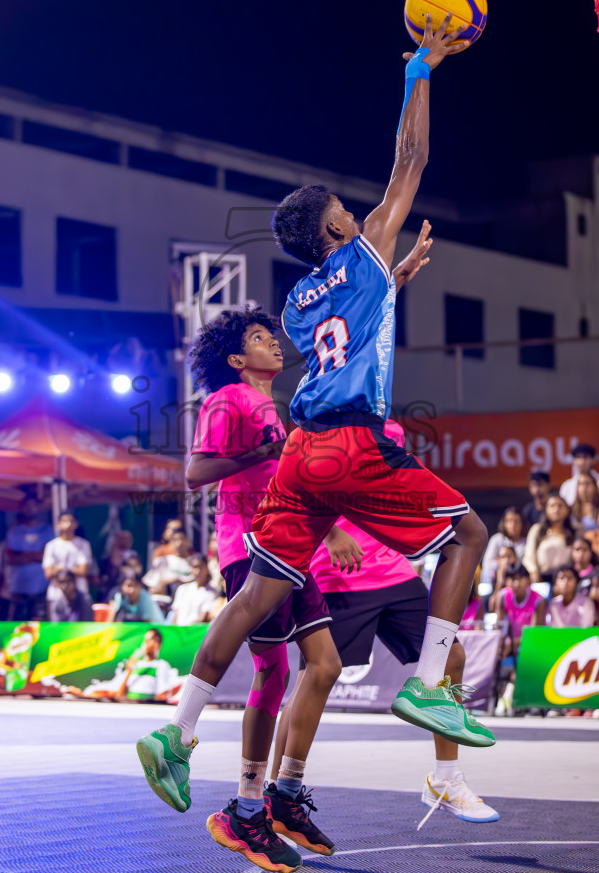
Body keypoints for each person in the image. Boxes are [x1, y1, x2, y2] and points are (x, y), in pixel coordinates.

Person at [136, 14, 494, 826]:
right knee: (468, 536)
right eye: (347, 210)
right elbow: (411, 159)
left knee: (260, 594)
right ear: (338, 227)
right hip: (349, 443)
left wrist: (390, 279)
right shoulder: (360, 247)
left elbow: (347, 326)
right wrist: (420, 71)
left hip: (299, 453)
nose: (358, 212)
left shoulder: (298, 302)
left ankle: (178, 730)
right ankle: (432, 688)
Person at [184, 302, 354, 868]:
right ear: (237, 358)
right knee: (273, 669)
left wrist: (325, 536)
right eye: (261, 338)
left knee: (325, 665)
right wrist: (259, 452)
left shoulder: (269, 405)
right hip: (247, 546)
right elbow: (195, 473)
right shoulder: (226, 399)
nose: (274, 343)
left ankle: (283, 796)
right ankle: (247, 809)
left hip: (292, 546)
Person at [270, 468, 499, 829]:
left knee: (451, 657)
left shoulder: (388, 428)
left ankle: (445, 779)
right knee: (312, 680)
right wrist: (329, 531)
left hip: (394, 571)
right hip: (339, 571)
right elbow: (301, 480)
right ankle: (278, 795)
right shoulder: (331, 422)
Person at [62, 628, 178, 702]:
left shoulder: (161, 665)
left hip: (143, 705)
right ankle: (79, 694)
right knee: (100, 692)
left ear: (158, 644)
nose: (148, 644)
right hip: (127, 702)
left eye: (151, 640)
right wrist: (129, 670)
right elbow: (119, 695)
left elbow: (161, 696)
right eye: (146, 640)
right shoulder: (136, 664)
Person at [494, 562, 545, 716]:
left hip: (530, 646)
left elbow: (534, 634)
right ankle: (495, 697)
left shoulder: (539, 600)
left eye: (519, 579)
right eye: (511, 579)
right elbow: (499, 627)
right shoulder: (502, 596)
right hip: (509, 644)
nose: (515, 583)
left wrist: (512, 643)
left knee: (523, 655)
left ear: (527, 581)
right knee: (493, 653)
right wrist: (502, 644)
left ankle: (510, 697)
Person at [5, 495, 54, 620]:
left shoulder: (47, 531)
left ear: (39, 508)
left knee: (39, 626)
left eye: (33, 505)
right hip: (18, 589)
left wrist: (23, 554)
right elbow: (12, 559)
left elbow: (45, 556)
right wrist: (36, 555)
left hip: (41, 588)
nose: (30, 509)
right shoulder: (14, 532)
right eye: (27, 505)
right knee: (16, 628)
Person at [42, 512, 93, 621]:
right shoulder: (51, 546)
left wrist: (60, 568)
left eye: (71, 521)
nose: (68, 524)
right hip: (56, 594)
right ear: (58, 524)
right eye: (65, 521)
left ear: (76, 524)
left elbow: (83, 570)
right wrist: (73, 569)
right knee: (56, 628)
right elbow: (48, 573)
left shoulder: (83, 544)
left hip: (79, 593)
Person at [523, 494, 575, 583]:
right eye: (552, 506)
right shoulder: (537, 530)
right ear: (546, 510)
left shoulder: (573, 531)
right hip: (541, 578)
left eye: (560, 506)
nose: (556, 509)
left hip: (565, 580)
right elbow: (528, 556)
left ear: (567, 510)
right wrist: (533, 572)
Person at [480, 507, 527, 584]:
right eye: (509, 521)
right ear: (504, 522)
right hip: (495, 581)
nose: (512, 525)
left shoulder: (526, 542)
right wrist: (505, 562)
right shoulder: (497, 539)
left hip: (518, 582)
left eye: (516, 521)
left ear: (522, 523)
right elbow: (487, 564)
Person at [143, 525, 194, 596]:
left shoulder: (195, 562)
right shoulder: (163, 561)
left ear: (188, 541)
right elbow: (151, 586)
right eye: (175, 540)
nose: (179, 543)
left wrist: (179, 580)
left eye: (182, 539)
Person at [168, 556, 218, 625]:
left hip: (195, 633)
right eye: (195, 567)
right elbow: (175, 616)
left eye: (201, 567)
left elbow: (203, 619)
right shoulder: (182, 589)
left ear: (207, 569)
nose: (198, 571)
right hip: (179, 632)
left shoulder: (212, 593)